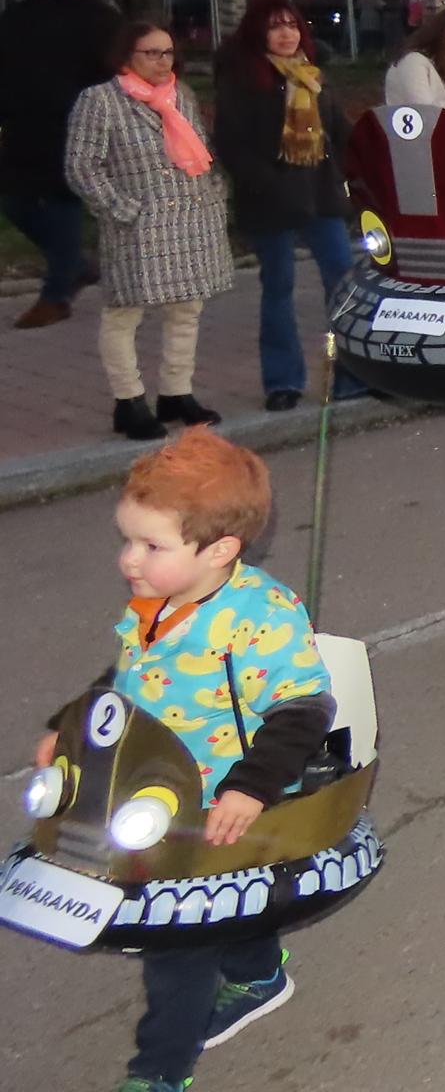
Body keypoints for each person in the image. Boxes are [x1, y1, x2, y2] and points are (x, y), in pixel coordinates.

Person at [37, 428, 335, 1092]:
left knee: (176, 941)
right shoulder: (159, 603)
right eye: (127, 540)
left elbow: (304, 710)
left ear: (221, 550)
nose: (128, 560)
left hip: (223, 795)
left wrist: (248, 788)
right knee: (224, 910)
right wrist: (70, 728)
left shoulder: (258, 619)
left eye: (150, 546)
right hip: (154, 786)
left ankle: (158, 1071)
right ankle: (260, 974)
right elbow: (127, 676)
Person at [63, 20, 233, 441]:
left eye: (168, 52)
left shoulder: (181, 96)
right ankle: (129, 400)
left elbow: (202, 148)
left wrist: (215, 191)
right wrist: (122, 210)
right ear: (126, 56)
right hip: (139, 227)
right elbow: (81, 167)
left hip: (192, 220)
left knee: (186, 310)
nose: (162, 61)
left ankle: (176, 393)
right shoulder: (101, 101)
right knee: (124, 314)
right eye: (151, 53)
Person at [213, 0, 364, 412]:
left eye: (292, 25)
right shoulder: (244, 79)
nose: (286, 34)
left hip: (321, 195)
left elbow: (341, 131)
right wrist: (266, 182)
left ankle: (352, 374)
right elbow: (230, 142)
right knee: (278, 287)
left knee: (342, 282)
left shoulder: (313, 76)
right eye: (276, 26)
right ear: (259, 33)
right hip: (271, 200)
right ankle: (283, 381)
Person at [0, 0, 119, 329]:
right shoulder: (17, 17)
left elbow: (114, 72)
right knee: (15, 201)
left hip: (76, 124)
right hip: (23, 125)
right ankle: (75, 264)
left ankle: (56, 296)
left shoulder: (98, 18)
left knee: (62, 200)